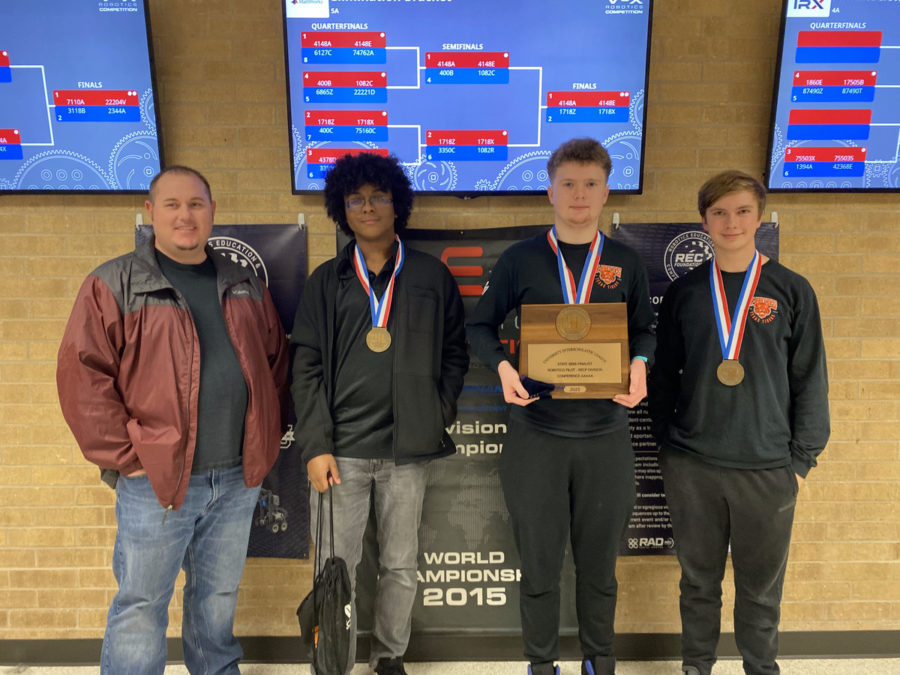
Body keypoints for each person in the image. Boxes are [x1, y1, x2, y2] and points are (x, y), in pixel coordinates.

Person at [56, 166, 290, 675]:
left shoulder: (243, 281)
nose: (185, 215)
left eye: (196, 204)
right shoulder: (113, 283)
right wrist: (128, 458)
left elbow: (276, 365)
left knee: (217, 599)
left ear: (212, 213)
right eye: (172, 205)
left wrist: (266, 440)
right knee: (142, 605)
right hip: (155, 482)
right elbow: (83, 377)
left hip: (235, 478)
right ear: (150, 213)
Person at [466, 138, 656, 675]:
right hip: (537, 436)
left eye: (591, 183)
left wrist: (641, 364)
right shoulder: (521, 259)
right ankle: (541, 664)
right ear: (549, 190)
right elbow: (479, 325)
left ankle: (599, 661)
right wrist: (503, 368)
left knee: (600, 569)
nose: (579, 194)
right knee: (540, 567)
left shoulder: (623, 261)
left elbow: (645, 329)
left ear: (606, 191)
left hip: (605, 438)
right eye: (568, 183)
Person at [290, 152, 468, 675]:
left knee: (400, 566)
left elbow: (455, 353)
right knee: (333, 568)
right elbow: (306, 368)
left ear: (398, 205)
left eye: (378, 197)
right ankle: (333, 661)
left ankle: (389, 657)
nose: (367, 207)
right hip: (339, 452)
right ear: (342, 209)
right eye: (356, 199)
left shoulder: (432, 276)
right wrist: (316, 444)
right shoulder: (327, 280)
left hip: (407, 450)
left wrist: (437, 413)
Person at [648, 170, 830, 675]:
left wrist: (799, 461)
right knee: (698, 581)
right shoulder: (685, 291)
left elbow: (810, 379)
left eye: (742, 211)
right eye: (720, 212)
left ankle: (760, 667)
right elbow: (663, 376)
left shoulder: (792, 290)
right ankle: (696, 666)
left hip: (768, 469)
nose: (732, 222)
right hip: (693, 466)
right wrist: (669, 448)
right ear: (704, 220)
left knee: (760, 588)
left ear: (760, 216)